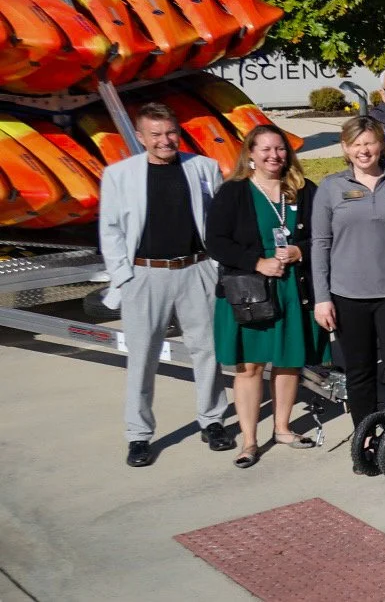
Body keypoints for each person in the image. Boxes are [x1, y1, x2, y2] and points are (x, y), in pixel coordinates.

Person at [101, 103, 234, 467]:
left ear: (179, 132)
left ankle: (212, 420)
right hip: (145, 274)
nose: (165, 140)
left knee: (208, 350)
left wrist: (218, 267)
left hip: (197, 269)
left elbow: (216, 221)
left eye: (170, 132)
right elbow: (110, 230)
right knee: (142, 357)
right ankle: (139, 435)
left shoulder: (203, 168)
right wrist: (123, 277)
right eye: (155, 134)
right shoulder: (119, 175)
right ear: (141, 137)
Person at [310, 116, 385, 472]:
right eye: (355, 144)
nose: (363, 150)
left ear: (382, 145)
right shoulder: (331, 188)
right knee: (360, 372)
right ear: (346, 148)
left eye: (370, 142)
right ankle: (365, 439)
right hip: (348, 294)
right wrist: (322, 297)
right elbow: (320, 244)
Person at [205, 125, 328, 466]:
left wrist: (299, 253)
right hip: (249, 290)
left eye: (281, 149)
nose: (275, 156)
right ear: (250, 154)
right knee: (249, 367)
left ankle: (283, 428)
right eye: (266, 149)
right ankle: (249, 440)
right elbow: (215, 241)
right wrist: (257, 262)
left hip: (292, 288)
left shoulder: (303, 191)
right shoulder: (234, 192)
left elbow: (322, 236)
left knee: (289, 361)